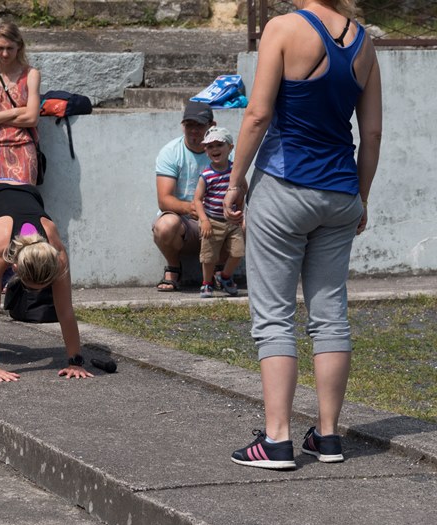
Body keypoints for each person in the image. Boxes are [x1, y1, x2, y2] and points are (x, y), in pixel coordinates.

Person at [225, 0, 382, 469]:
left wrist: (235, 181)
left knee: (274, 315)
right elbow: (372, 133)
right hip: (341, 191)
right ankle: (328, 436)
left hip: (285, 185)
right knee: (330, 316)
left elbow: (257, 114)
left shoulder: (283, 28)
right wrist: (362, 197)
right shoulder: (364, 42)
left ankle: (277, 440)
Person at [0, 177, 93, 382]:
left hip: (22, 191)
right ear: (15, 267)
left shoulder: (57, 255)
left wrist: (75, 362)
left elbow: (65, 310)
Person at [153, 101, 225, 291]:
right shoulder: (171, 152)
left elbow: (235, 187)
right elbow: (164, 200)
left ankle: (220, 270)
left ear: (212, 126)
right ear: (182, 125)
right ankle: (173, 268)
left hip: (217, 220)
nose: (193, 130)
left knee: (245, 222)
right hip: (185, 223)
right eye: (189, 125)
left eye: (199, 125)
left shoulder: (223, 151)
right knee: (165, 226)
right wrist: (191, 208)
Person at [0, 23, 41, 185]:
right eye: (0, 48)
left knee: (23, 199)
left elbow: (32, 119)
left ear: (19, 47)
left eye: (10, 48)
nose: (5, 54)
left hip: (23, 149)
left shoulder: (31, 75)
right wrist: (17, 111)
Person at [193, 126, 244, 298]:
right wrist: (204, 220)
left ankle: (225, 277)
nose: (215, 149)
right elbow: (197, 199)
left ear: (230, 147)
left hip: (232, 221)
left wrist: (240, 212)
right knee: (208, 256)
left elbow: (243, 189)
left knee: (238, 252)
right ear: (206, 151)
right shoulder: (206, 175)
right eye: (210, 146)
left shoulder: (236, 172)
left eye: (219, 145)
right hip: (212, 221)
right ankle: (207, 283)